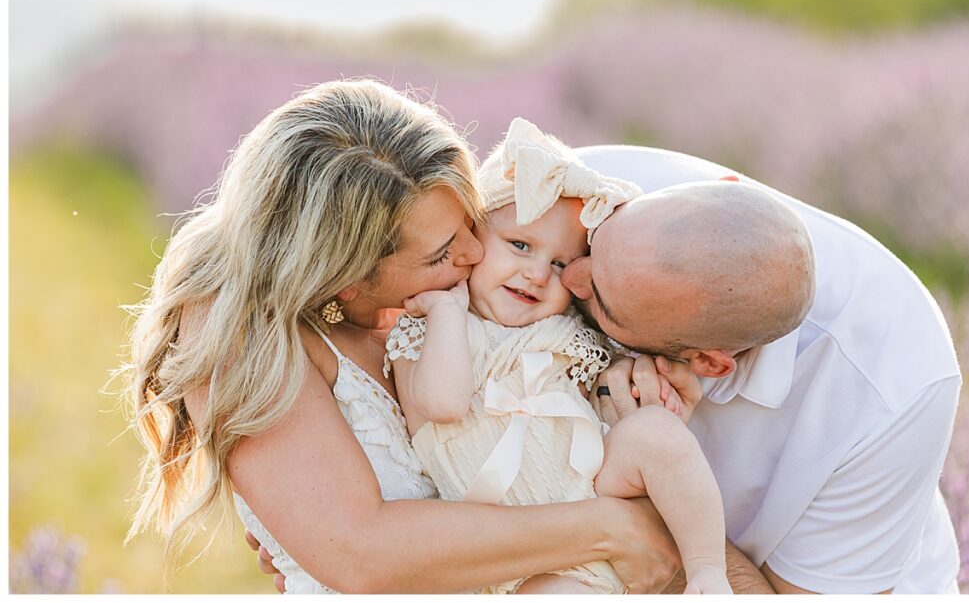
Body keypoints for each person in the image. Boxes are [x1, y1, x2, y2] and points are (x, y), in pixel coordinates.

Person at [121, 80, 700, 595]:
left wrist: (614, 386)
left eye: (472, 225)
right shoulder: (236, 330)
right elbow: (359, 552)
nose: (474, 255)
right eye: (442, 253)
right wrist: (607, 529)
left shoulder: (439, 304)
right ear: (342, 280)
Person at [563, 144, 962, 594]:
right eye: (596, 242)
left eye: (601, 300)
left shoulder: (893, 387)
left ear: (708, 362)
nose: (564, 276)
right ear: (725, 189)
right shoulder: (590, 186)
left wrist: (655, 478)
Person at [384, 118, 731, 594]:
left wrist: (641, 386)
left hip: (590, 487)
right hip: (519, 548)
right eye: (520, 245)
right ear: (471, 239)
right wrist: (448, 310)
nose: (536, 274)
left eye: (560, 263)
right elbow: (443, 405)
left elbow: (609, 398)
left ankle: (709, 574)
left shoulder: (565, 330)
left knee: (658, 435)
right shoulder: (430, 324)